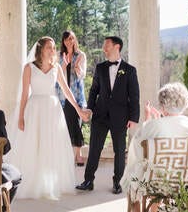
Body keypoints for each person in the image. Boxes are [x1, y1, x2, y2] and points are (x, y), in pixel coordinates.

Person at [9, 36, 91, 200]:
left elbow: (67, 92)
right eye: (49, 47)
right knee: (34, 145)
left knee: (51, 146)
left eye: (54, 48)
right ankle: (32, 183)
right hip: (34, 109)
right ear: (41, 50)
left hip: (53, 110)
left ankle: (49, 184)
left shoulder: (57, 68)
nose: (53, 50)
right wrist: (21, 116)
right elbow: (25, 94)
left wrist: (79, 110)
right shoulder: (29, 68)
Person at [122, 82, 188, 212]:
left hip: (155, 182)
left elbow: (137, 147)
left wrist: (149, 120)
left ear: (163, 105)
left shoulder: (154, 125)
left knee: (130, 179)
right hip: (182, 181)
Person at [76, 36, 140, 195]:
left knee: (119, 150)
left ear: (117, 47)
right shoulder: (100, 68)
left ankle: (118, 181)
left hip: (121, 116)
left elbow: (134, 95)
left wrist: (133, 117)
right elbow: (94, 91)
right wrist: (89, 109)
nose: (104, 49)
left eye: (107, 46)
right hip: (100, 114)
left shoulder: (130, 70)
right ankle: (88, 180)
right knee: (94, 148)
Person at [56, 30, 87, 166]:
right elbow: (57, 75)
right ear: (63, 41)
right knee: (66, 124)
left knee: (77, 123)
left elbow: (82, 75)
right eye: (67, 39)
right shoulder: (58, 55)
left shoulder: (81, 55)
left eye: (72, 38)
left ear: (75, 40)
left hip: (77, 96)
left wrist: (76, 66)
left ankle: (78, 154)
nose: (69, 41)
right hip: (62, 96)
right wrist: (65, 64)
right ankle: (68, 155)